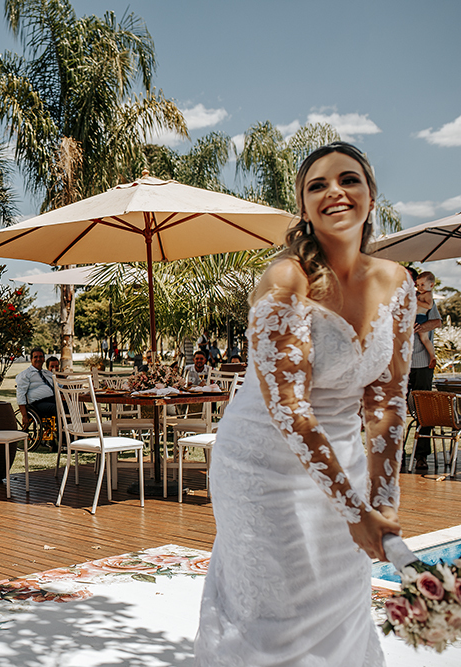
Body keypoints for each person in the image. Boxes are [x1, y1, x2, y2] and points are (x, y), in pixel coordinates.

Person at [194, 143, 414, 665]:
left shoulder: (396, 283)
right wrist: (352, 509)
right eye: (317, 185)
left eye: (348, 179)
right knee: (276, 616)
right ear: (304, 206)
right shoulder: (285, 279)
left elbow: (386, 403)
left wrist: (380, 503)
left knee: (341, 604)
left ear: (370, 194)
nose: (334, 191)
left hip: (345, 464)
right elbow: (288, 407)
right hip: (262, 465)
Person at [408, 270, 442, 472]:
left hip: (421, 361)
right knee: (391, 408)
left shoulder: (423, 299)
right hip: (398, 363)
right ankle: (392, 452)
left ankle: (421, 455)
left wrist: (419, 327)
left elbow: (437, 322)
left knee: (424, 409)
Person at [16, 348, 57, 428]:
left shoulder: (48, 373)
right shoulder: (25, 374)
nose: (38, 359)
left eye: (41, 357)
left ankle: (78, 432)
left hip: (53, 399)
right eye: (36, 357)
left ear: (44, 359)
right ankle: (62, 437)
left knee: (75, 405)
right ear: (31, 359)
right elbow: (20, 394)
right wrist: (24, 415)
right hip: (37, 404)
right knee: (56, 408)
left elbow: (60, 386)